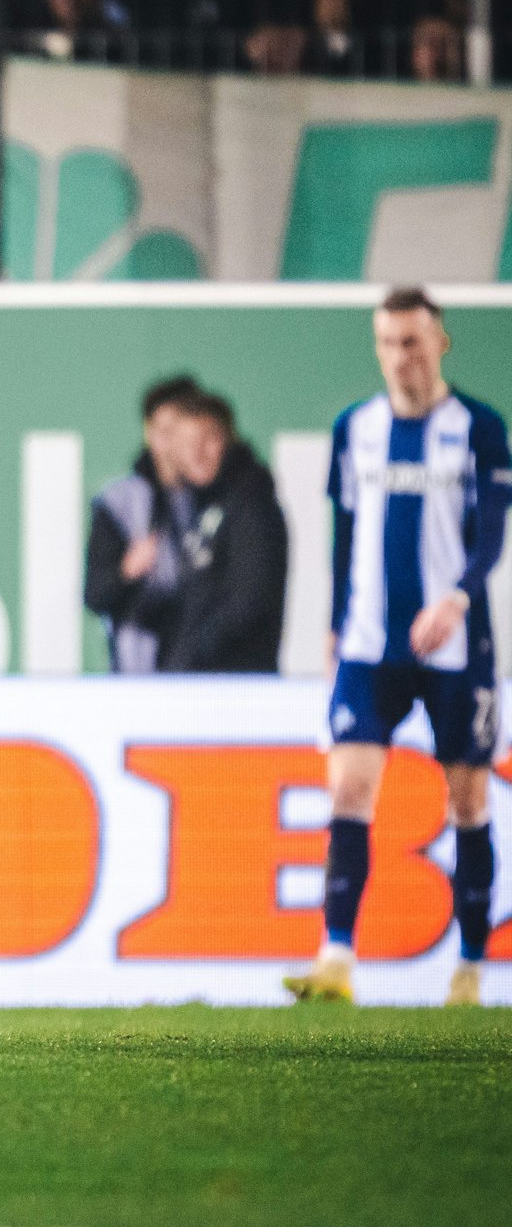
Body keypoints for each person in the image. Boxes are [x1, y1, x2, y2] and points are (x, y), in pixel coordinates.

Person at [286, 287, 508, 1007]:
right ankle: (336, 958)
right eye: (388, 341)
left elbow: (491, 532)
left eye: (413, 341)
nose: (400, 356)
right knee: (349, 788)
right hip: (370, 643)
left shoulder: (478, 427)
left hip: (455, 645)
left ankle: (470, 966)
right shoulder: (356, 428)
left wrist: (458, 598)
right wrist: (332, 623)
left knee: (467, 798)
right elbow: (345, 532)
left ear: (440, 342)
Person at [158, 389, 288, 673]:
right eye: (187, 442)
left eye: (208, 439)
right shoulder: (192, 504)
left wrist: (189, 655)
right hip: (196, 678)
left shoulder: (252, 502)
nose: (197, 452)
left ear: (229, 440)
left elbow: (249, 600)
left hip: (234, 683)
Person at [84, 376, 199, 675]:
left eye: (179, 432)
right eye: (163, 431)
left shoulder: (215, 502)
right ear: (148, 431)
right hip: (137, 671)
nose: (170, 443)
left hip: (204, 671)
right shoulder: (118, 503)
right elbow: (95, 594)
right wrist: (127, 571)